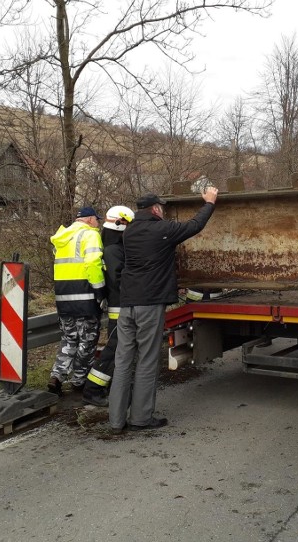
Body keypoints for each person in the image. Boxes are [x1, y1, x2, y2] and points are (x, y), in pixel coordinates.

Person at [108, 186, 219, 433]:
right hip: (149, 304)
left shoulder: (129, 231)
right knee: (147, 360)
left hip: (127, 305)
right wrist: (209, 203)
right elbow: (194, 226)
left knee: (123, 361)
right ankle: (141, 419)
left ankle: (116, 421)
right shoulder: (162, 230)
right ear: (156, 209)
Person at [47, 205, 105, 396]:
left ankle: (57, 375)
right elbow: (93, 264)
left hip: (63, 298)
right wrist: (100, 291)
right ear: (89, 219)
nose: (98, 224)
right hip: (85, 298)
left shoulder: (62, 238)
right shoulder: (90, 235)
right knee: (87, 341)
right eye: (97, 220)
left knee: (69, 338)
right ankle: (79, 380)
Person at [81, 205, 135, 407]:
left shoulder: (114, 247)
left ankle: (112, 388)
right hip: (119, 309)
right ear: (122, 224)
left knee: (120, 350)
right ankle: (93, 389)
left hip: (121, 308)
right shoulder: (113, 250)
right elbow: (118, 279)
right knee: (114, 350)